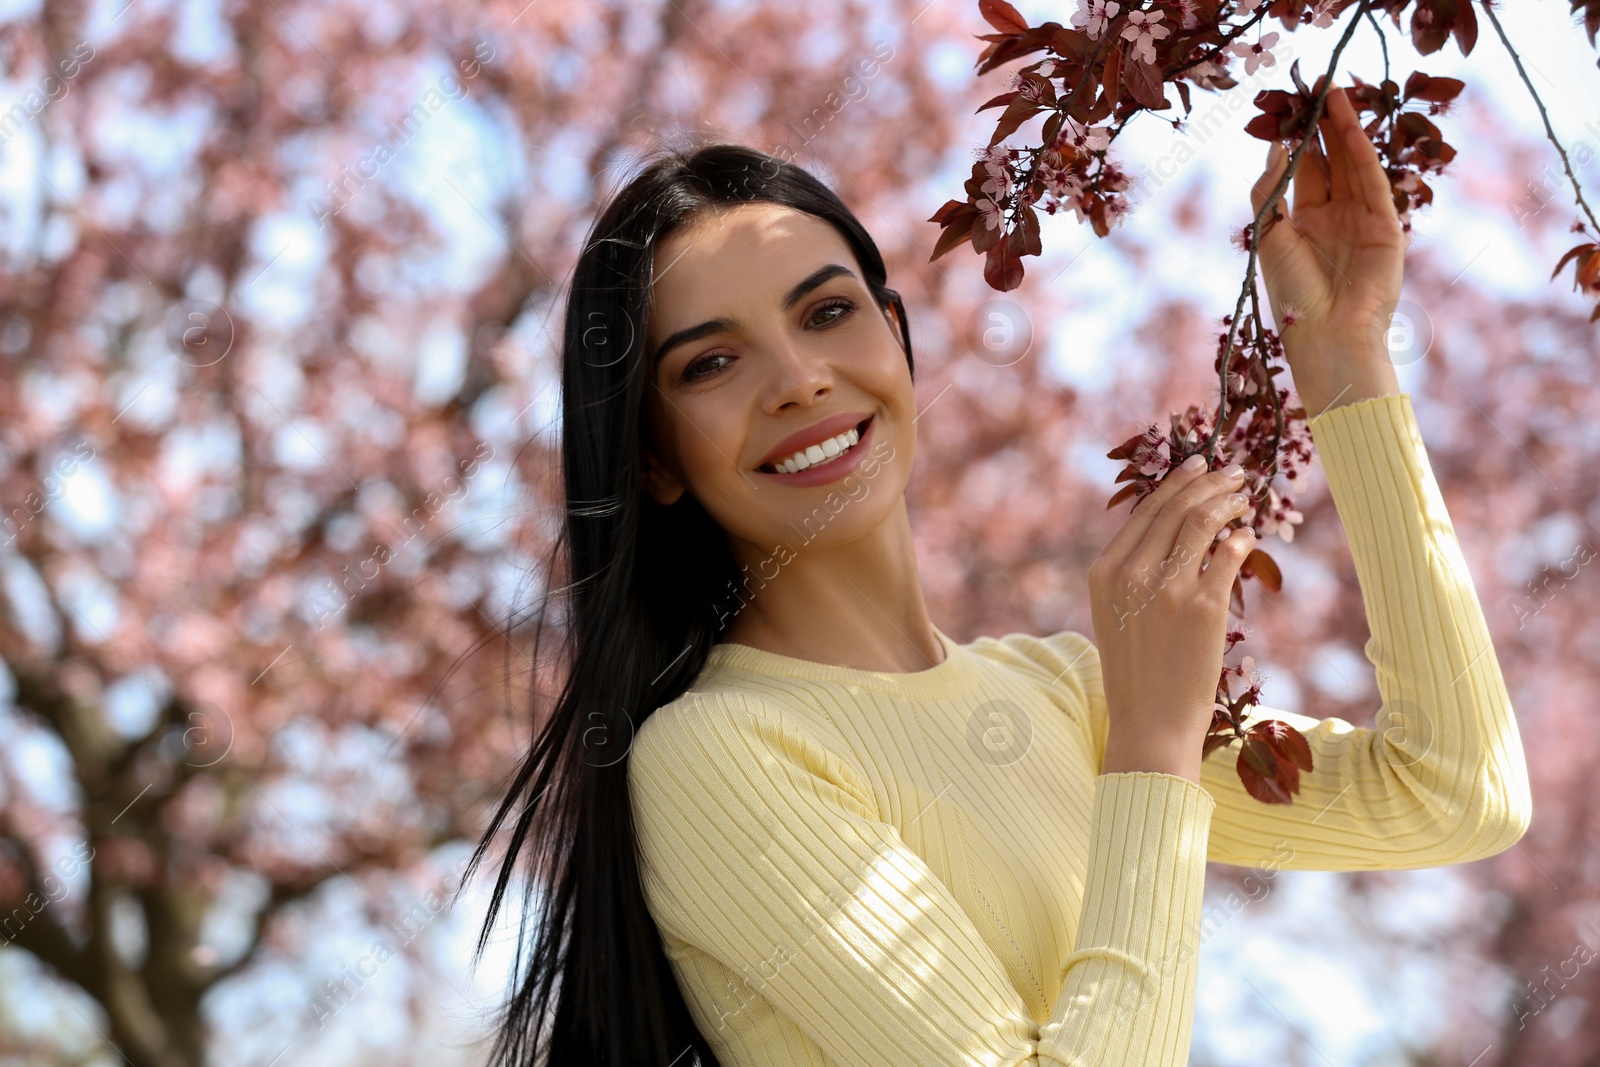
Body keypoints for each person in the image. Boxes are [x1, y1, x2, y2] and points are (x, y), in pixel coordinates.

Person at [463, 84, 1533, 1067]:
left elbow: (1452, 791)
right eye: (711, 362)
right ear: (652, 455)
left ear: (896, 335)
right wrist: (1154, 747)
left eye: (826, 311)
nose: (799, 379)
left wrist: (1348, 364)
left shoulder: (1061, 694)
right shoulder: (714, 755)